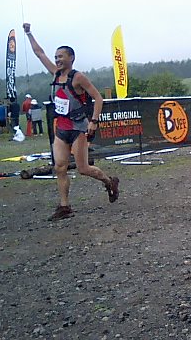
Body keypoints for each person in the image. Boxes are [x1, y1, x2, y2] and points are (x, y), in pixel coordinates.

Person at [23, 22, 119, 221]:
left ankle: (109, 182)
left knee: (83, 169)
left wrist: (94, 121)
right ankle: (64, 206)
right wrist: (29, 33)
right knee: (60, 167)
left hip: (78, 128)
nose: (57, 60)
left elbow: (98, 98)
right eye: (56, 57)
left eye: (61, 56)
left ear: (71, 58)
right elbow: (39, 53)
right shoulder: (55, 74)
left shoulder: (78, 77)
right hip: (61, 128)